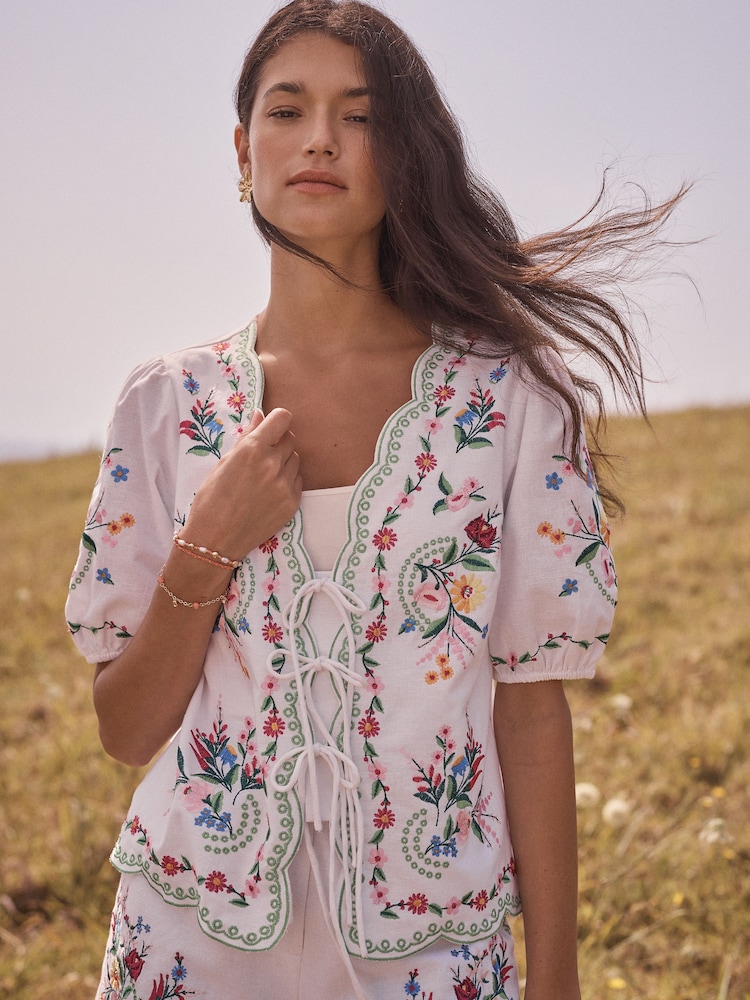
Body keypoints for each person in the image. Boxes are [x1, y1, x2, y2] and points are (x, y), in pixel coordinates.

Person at [65, 2, 684, 998]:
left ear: (407, 153)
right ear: (241, 151)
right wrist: (205, 545)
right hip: (188, 944)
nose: (319, 139)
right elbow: (126, 731)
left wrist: (557, 974)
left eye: (360, 116)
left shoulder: (510, 401)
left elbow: (530, 710)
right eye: (287, 109)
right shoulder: (165, 405)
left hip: (436, 950)